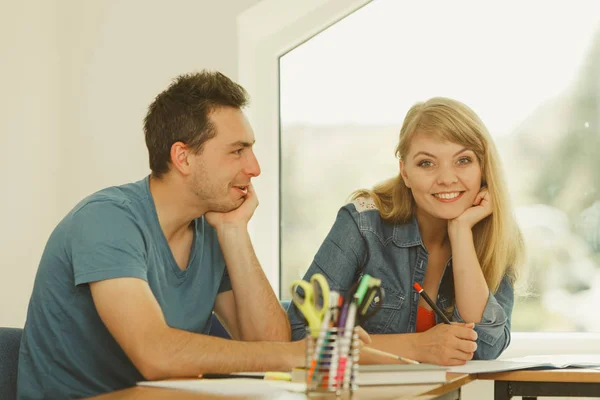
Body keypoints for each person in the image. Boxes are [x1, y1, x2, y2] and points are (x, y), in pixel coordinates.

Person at [17, 71, 306, 399]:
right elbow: (155, 355)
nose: (254, 168)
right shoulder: (107, 219)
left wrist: (234, 230)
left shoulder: (210, 230)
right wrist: (295, 354)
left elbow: (272, 350)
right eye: (237, 151)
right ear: (183, 157)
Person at [288, 97, 525, 366]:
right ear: (405, 172)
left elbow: (484, 346)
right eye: (427, 163)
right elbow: (299, 338)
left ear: (483, 168)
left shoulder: (496, 235)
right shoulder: (363, 224)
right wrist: (417, 347)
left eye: (463, 160)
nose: (447, 178)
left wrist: (460, 232)